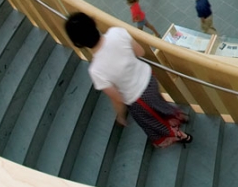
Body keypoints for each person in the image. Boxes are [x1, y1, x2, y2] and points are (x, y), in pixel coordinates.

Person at [64, 12, 191, 148]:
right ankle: (176, 115)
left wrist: (120, 115)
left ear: (79, 43)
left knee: (151, 120)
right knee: (158, 102)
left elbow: (117, 98)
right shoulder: (116, 32)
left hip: (138, 99)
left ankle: (177, 135)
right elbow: (140, 52)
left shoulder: (96, 71)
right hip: (149, 79)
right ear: (93, 23)